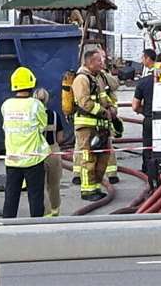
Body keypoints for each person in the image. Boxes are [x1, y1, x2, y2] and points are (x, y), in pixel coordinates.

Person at [0, 66, 49, 219]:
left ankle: (7, 226)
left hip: (13, 159)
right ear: (31, 84)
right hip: (33, 159)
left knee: (11, 197)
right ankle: (35, 228)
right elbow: (43, 126)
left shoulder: (6, 105)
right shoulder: (36, 105)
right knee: (35, 197)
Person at [70, 45, 117, 200]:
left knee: (101, 158)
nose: (101, 64)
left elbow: (104, 96)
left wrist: (111, 107)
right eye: (98, 61)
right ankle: (87, 190)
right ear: (90, 62)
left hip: (99, 126)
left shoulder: (96, 78)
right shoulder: (81, 79)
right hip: (87, 126)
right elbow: (84, 102)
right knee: (88, 159)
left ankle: (96, 187)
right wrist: (104, 112)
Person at [132, 48, 161, 187]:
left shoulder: (143, 82)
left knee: (148, 148)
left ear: (148, 58)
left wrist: (145, 112)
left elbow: (135, 106)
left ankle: (148, 173)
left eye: (142, 58)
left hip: (149, 119)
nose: (142, 61)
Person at [34, 86, 63, 217]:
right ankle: (55, 209)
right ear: (47, 99)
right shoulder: (55, 115)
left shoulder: (33, 116)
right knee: (54, 184)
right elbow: (60, 138)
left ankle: (46, 212)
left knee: (40, 184)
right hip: (53, 151)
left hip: (38, 152)